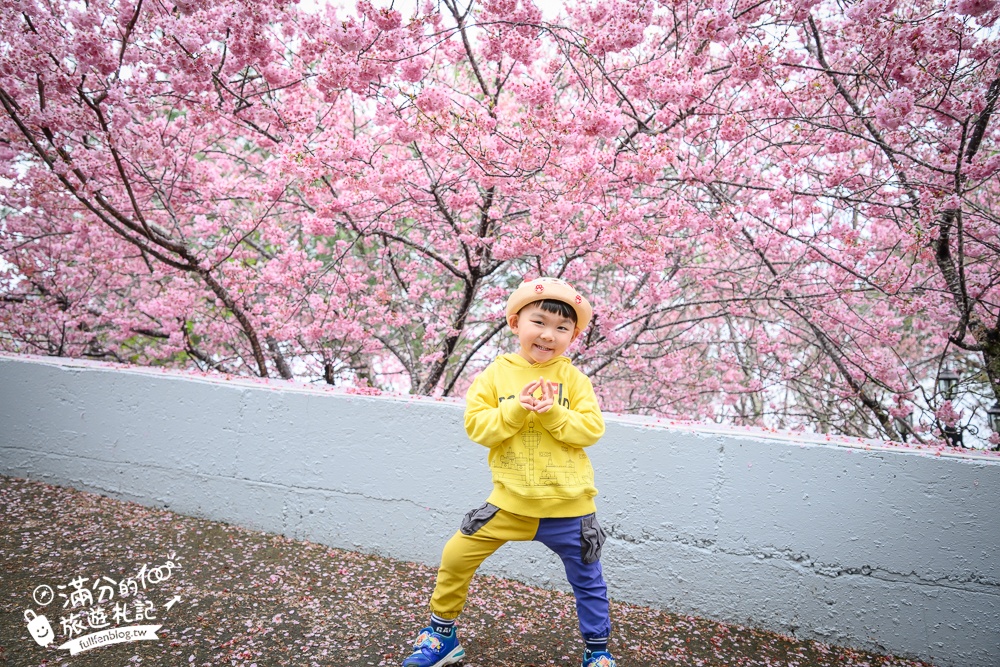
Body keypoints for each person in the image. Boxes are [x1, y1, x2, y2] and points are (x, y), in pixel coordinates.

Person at [402, 277, 616, 667]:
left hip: (570, 508)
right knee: (456, 554)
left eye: (562, 327)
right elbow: (478, 428)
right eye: (539, 322)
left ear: (573, 336)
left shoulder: (575, 380)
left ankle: (598, 651)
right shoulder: (494, 376)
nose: (549, 334)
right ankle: (442, 634)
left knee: (588, 579)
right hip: (508, 504)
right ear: (516, 323)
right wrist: (516, 409)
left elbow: (591, 430)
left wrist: (553, 413)